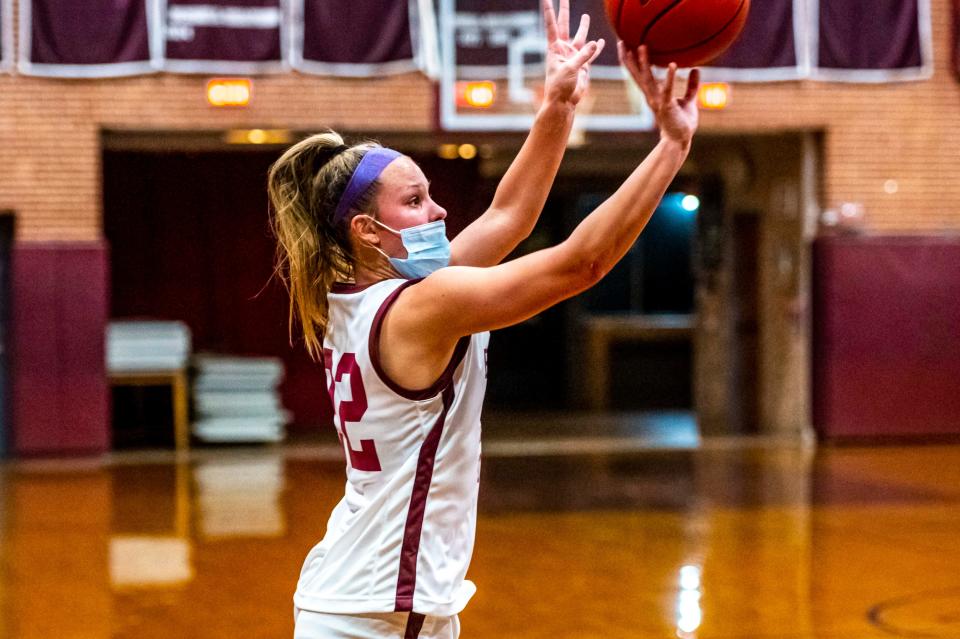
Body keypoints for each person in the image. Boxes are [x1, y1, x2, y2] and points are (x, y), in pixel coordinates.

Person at [267, 0, 700, 635]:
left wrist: (557, 105)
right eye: (416, 201)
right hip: (378, 612)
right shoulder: (423, 306)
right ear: (367, 230)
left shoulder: (366, 294)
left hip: (372, 602)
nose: (440, 212)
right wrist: (671, 147)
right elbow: (580, 265)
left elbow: (507, 218)